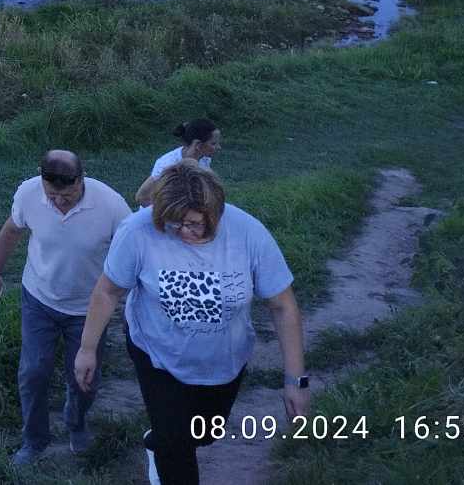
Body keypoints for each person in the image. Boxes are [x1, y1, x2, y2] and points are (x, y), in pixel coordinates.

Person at [74, 161, 307, 485]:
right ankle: (166, 443)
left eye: (194, 224)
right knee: (176, 445)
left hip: (224, 360)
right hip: (157, 354)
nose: (183, 232)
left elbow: (282, 306)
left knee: (205, 433)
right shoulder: (137, 231)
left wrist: (296, 381)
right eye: (173, 223)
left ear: (216, 211)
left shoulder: (249, 234)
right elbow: (107, 291)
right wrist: (87, 349)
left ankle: (163, 439)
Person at [0, 150, 133, 464]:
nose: (60, 202)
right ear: (41, 177)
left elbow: (132, 255)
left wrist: (129, 305)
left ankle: (76, 421)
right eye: (53, 196)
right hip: (39, 297)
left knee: (84, 377)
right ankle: (34, 442)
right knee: (33, 371)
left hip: (89, 308)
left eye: (68, 195)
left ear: (81, 178)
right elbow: (12, 230)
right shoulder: (28, 193)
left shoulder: (112, 205)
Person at [135, 118, 220, 207]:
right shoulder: (168, 164)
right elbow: (141, 197)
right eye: (214, 143)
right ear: (198, 144)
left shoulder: (204, 160)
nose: (218, 147)